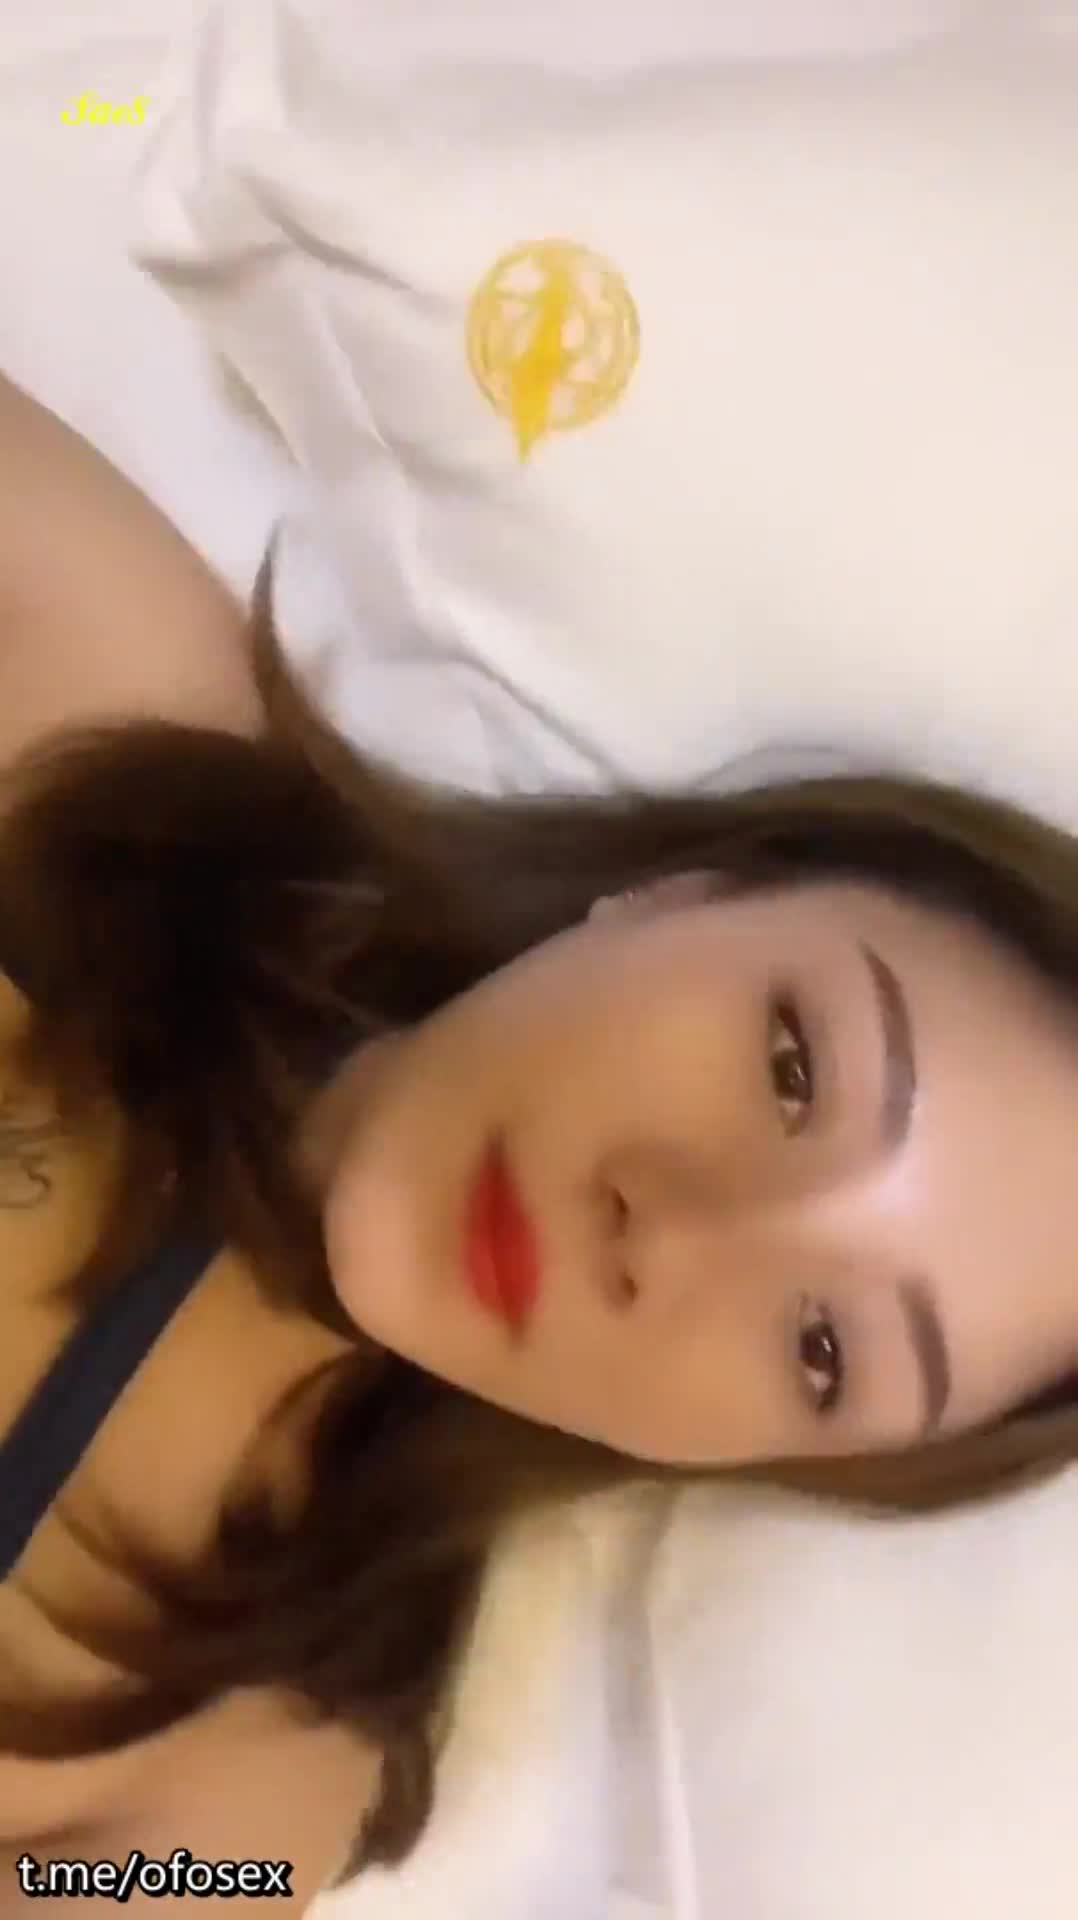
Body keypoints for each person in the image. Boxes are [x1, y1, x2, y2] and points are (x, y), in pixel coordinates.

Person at [0, 370, 1076, 1909]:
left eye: (821, 1348)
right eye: (791, 1068)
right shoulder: (98, 703)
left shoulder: (240, 1804)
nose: (675, 1231)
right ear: (678, 894)